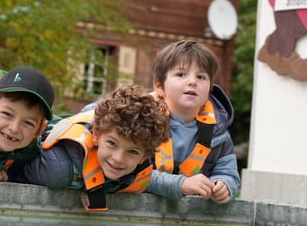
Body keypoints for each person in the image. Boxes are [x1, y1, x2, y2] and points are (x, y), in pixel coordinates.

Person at [16, 84, 170, 211]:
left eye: (133, 151)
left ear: (144, 156)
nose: (118, 158)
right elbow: (16, 172)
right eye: (112, 143)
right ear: (96, 134)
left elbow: (148, 180)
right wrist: (83, 185)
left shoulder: (134, 168)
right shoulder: (57, 169)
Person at [147, 40, 240, 203]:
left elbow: (228, 173)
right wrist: (180, 184)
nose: (192, 81)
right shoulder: (142, 121)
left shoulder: (219, 130)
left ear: (210, 88)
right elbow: (130, 173)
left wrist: (223, 185)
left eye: (201, 76)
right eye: (181, 74)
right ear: (159, 86)